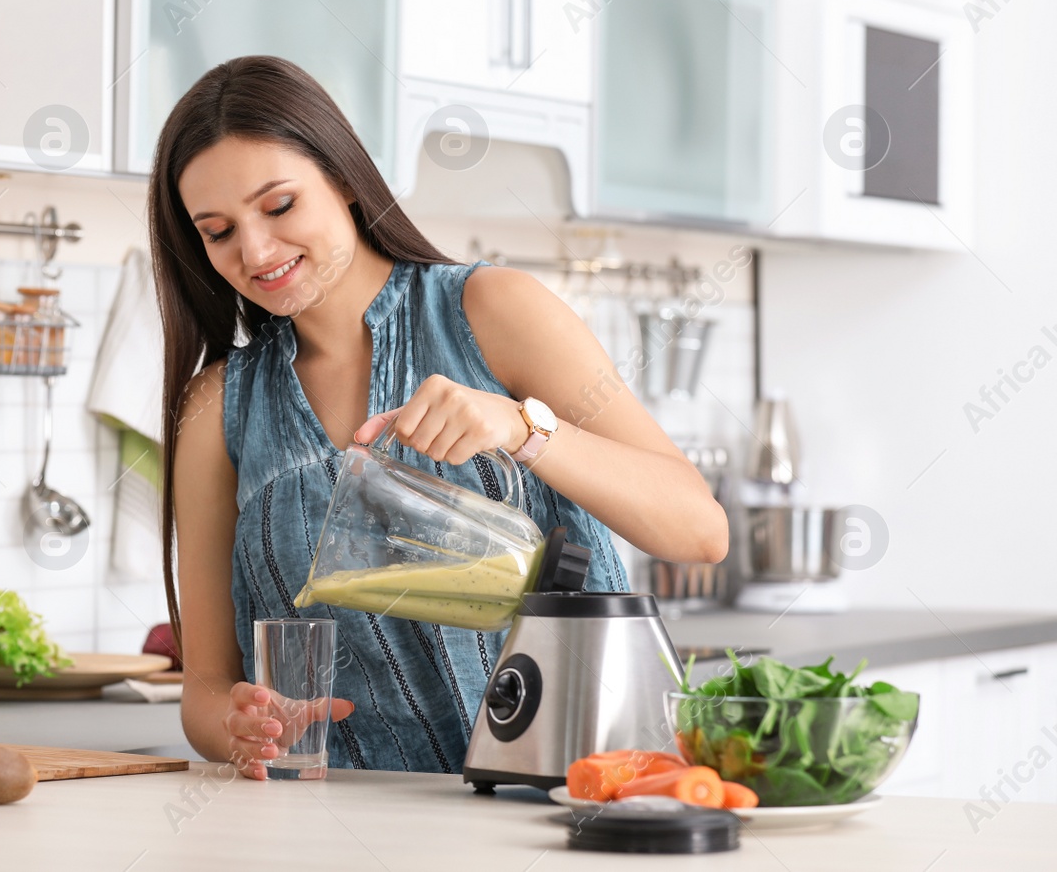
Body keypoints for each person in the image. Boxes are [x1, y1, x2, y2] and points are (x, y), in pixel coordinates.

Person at [148, 56, 728, 779]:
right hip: (352, 831)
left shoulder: (493, 312)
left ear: (345, 181)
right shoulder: (217, 407)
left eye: (279, 205)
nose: (255, 250)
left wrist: (523, 428)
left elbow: (700, 529)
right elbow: (205, 684)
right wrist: (237, 724)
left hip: (576, 811)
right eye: (217, 229)